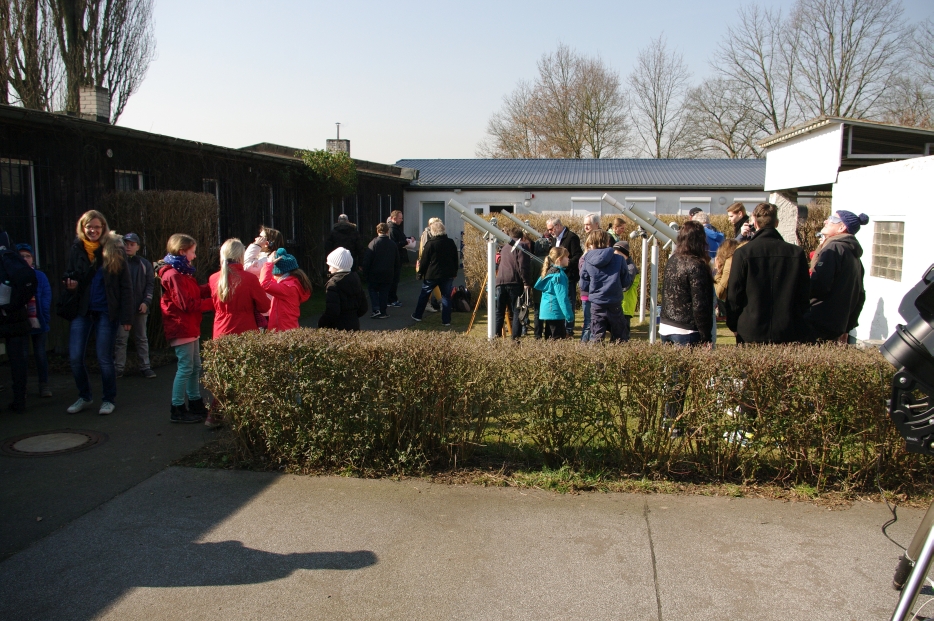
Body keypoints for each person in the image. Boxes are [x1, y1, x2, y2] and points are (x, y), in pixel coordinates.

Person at [63, 211, 133, 416]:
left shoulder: (114, 249)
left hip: (105, 310)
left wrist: (127, 316)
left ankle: (108, 398)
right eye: (88, 227)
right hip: (82, 309)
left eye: (97, 227)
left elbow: (125, 285)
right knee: (75, 357)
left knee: (104, 357)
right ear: (82, 229)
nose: (92, 230)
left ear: (103, 228)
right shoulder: (77, 249)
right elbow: (70, 273)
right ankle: (84, 395)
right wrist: (70, 284)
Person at [726, 202, 811, 344]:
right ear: (776, 223)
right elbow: (804, 293)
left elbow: (734, 293)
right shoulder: (796, 253)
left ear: (755, 223)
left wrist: (734, 323)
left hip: (751, 328)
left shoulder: (743, 252)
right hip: (787, 327)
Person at [158, 234, 212, 424]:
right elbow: (187, 304)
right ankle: (178, 407)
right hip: (182, 326)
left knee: (195, 366)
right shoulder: (174, 275)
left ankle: (195, 402)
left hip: (189, 325)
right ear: (182, 251)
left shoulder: (182, 273)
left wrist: (213, 286)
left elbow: (194, 292)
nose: (195, 256)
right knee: (186, 367)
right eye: (192, 251)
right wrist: (213, 302)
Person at [806, 210, 869, 342]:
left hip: (819, 320)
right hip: (836, 324)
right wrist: (847, 326)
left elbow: (819, 285)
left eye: (832, 219)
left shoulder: (834, 248)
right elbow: (860, 295)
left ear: (842, 227)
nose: (826, 221)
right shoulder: (853, 255)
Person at [659, 221, 714, 346]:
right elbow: (700, 304)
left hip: (666, 325)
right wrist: (706, 336)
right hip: (687, 329)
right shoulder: (696, 265)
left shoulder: (672, 260)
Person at [113, 233, 156, 379]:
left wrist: (146, 302)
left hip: (140, 307)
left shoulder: (144, 264)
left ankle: (145, 367)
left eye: (132, 244)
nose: (128, 247)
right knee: (121, 339)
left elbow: (150, 285)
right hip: (124, 309)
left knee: (142, 338)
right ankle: (118, 368)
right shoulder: (117, 262)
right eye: (126, 244)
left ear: (137, 246)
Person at [210, 238, 271, 338]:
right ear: (241, 255)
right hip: (245, 331)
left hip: (220, 331)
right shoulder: (250, 279)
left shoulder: (213, 278)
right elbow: (264, 306)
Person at [17, 244, 52, 399]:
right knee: (22, 355)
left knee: (40, 354)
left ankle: (44, 385)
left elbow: (46, 296)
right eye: (21, 256)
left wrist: (43, 316)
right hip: (20, 322)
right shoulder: (13, 275)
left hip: (39, 320)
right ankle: (21, 388)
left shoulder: (40, 276)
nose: (25, 259)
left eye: (28, 256)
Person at [580, 230, 626, 343]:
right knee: (620, 337)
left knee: (596, 336)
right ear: (608, 241)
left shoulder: (587, 260)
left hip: (597, 302)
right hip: (614, 301)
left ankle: (597, 359)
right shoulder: (619, 259)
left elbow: (583, 284)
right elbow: (626, 281)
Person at [412, 220, 459, 326]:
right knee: (446, 297)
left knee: (424, 294)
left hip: (432, 274)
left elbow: (424, 261)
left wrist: (420, 273)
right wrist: (455, 271)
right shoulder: (450, 242)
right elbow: (455, 259)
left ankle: (418, 315)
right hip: (447, 274)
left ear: (432, 231)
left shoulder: (430, 244)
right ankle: (446, 320)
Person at [260, 247, 312, 331]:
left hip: (283, 330)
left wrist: (269, 264)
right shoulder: (291, 282)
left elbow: (265, 284)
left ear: (279, 273)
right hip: (287, 327)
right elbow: (270, 281)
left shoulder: (288, 287)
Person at [546, 217, 582, 335]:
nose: (550, 232)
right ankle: (562, 325)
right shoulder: (554, 239)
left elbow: (577, 256)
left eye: (551, 229)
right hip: (557, 274)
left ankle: (569, 328)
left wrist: (566, 264)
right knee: (559, 300)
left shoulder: (571, 237)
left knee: (569, 300)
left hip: (568, 275)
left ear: (558, 226)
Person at [494, 226, 531, 340]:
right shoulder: (522, 246)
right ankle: (515, 339)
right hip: (514, 282)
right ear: (521, 237)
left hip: (500, 282)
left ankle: (495, 337)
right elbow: (523, 266)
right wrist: (526, 282)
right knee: (516, 311)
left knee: (499, 312)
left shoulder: (504, 247)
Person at [319, 247, 368, 331]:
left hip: (337, 326)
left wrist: (322, 323)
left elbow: (332, 311)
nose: (329, 269)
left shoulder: (334, 284)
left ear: (337, 266)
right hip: (354, 324)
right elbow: (363, 307)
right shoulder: (355, 280)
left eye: (331, 266)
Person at [534, 246, 574, 340]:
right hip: (555, 311)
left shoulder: (549, 272)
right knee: (557, 340)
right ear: (560, 259)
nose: (569, 259)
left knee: (550, 339)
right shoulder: (559, 275)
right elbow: (562, 297)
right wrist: (569, 315)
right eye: (567, 257)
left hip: (548, 310)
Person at [362, 222, 399, 318]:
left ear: (377, 231)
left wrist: (365, 272)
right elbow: (397, 260)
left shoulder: (373, 243)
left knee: (373, 290)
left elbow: (367, 260)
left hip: (374, 273)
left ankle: (376, 308)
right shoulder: (393, 244)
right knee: (384, 292)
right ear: (387, 231)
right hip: (388, 273)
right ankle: (383, 311)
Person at [614, 240, 639, 342]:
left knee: (623, 333)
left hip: (626, 305)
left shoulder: (631, 268)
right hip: (620, 304)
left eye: (618, 255)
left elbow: (625, 286)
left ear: (625, 255)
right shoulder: (621, 265)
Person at [416, 217, 442, 313]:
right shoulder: (427, 234)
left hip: (431, 262)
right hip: (428, 263)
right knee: (431, 283)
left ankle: (432, 303)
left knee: (431, 284)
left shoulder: (431, 233)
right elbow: (425, 249)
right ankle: (437, 302)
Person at [387, 210, 409, 307]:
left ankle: (392, 298)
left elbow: (401, 239)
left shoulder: (397, 228)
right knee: (393, 280)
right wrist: (405, 242)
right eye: (400, 218)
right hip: (394, 258)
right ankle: (391, 299)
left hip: (398, 257)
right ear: (394, 218)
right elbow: (393, 244)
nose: (402, 220)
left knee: (395, 279)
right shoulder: (392, 230)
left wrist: (408, 238)